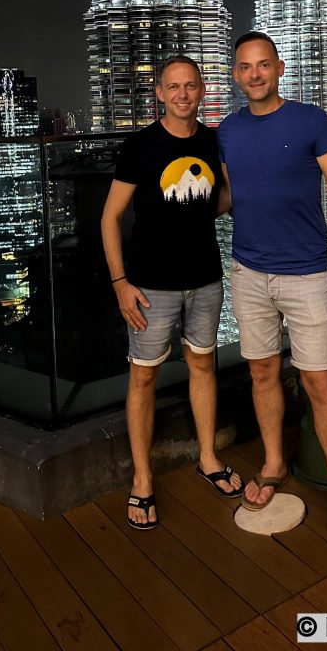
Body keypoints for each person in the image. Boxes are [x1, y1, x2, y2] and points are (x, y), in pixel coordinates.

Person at [218, 32, 327, 553]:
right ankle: (275, 462)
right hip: (248, 272)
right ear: (236, 74)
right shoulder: (227, 132)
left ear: (279, 69)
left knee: (320, 384)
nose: (255, 74)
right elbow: (228, 194)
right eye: (245, 67)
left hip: (306, 274)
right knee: (262, 372)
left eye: (263, 65)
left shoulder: (310, 119)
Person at [101, 55, 243, 530]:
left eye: (191, 85)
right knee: (143, 377)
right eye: (173, 87)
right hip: (148, 286)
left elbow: (218, 198)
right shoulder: (139, 145)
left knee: (203, 364)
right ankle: (142, 479)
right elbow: (110, 217)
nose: (183, 94)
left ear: (202, 90)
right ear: (159, 93)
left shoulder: (212, 140)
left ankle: (207, 457)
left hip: (204, 278)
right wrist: (121, 283)